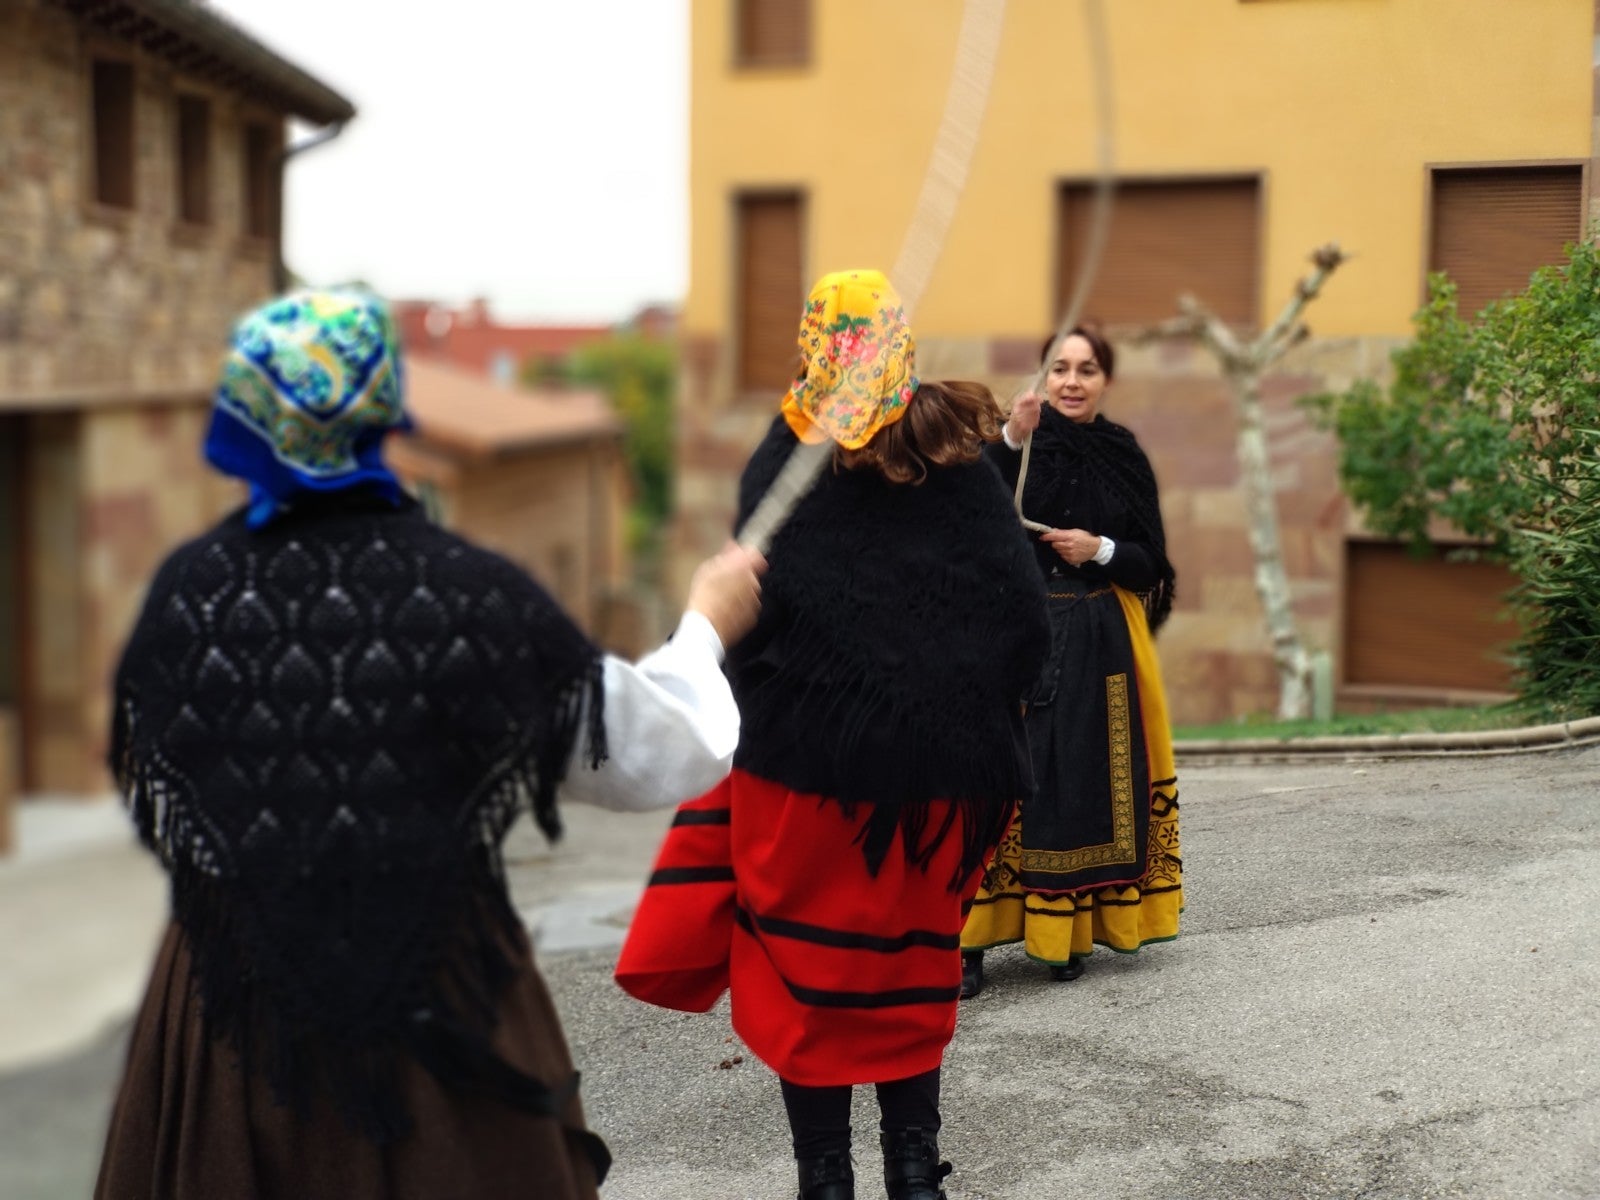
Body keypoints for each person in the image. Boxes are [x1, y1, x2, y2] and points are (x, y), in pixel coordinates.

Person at [94, 288, 766, 1200]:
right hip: (435, 1002)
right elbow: (652, 752)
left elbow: (151, 767)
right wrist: (705, 628)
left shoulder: (189, 596)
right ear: (383, 419)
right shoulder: (464, 598)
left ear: (247, 417)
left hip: (229, 1018)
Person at [615, 269, 1049, 1200]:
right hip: (937, 798)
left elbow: (753, 618)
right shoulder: (963, 462)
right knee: (913, 971)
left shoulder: (788, 459)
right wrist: (951, 716)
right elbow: (1024, 623)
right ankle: (913, 1174)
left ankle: (825, 1180)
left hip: (803, 791)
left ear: (814, 347)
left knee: (803, 972)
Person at [958, 326, 1181, 999]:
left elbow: (1153, 561)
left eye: (1087, 369)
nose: (1073, 381)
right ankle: (965, 946)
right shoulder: (1007, 445)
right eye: (1060, 369)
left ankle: (1063, 936)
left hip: (1099, 639)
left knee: (1084, 784)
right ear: (1042, 378)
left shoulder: (1122, 454)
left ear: (1106, 379)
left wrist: (1102, 549)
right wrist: (1010, 441)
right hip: (1014, 635)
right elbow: (969, 515)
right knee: (996, 781)